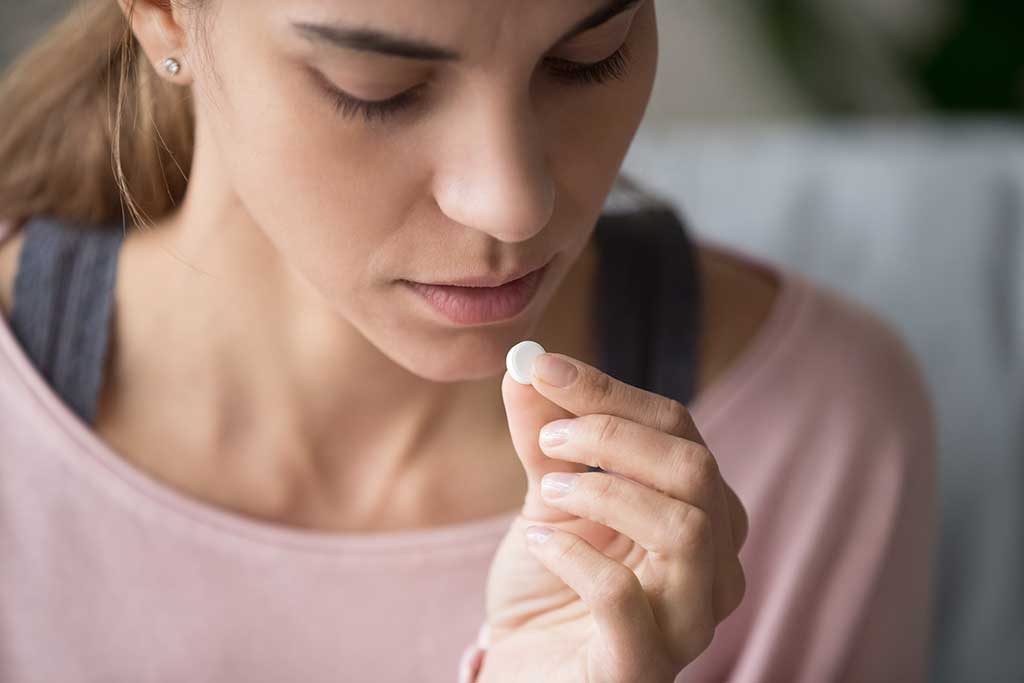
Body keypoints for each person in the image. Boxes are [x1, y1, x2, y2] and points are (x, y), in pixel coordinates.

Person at [0, 1, 937, 681]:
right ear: (164, 17)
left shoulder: (816, 432)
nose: (511, 201)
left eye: (591, 56)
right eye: (379, 88)